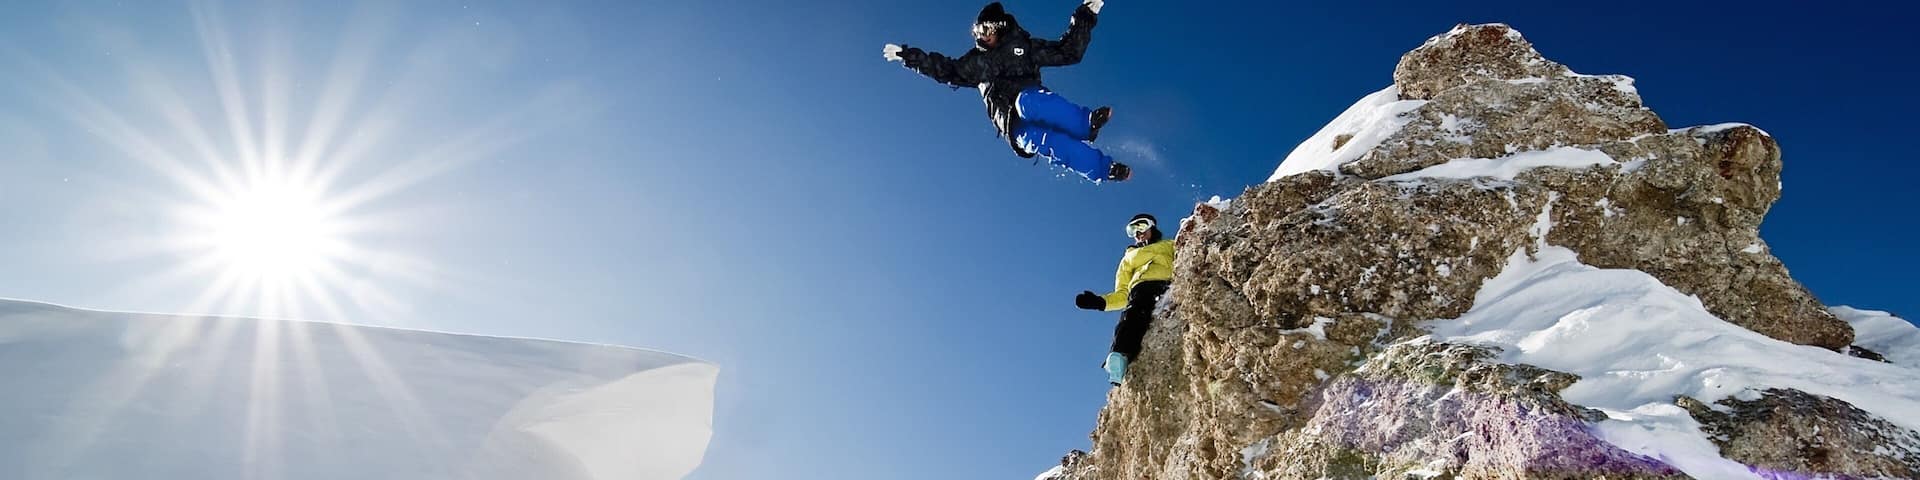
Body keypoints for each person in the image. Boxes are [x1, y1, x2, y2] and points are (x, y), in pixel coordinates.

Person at [883, 1, 1129, 183]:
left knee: (1027, 102)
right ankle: (1104, 169)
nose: (982, 37)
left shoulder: (1023, 47)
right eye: (977, 32)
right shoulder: (976, 62)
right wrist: (908, 56)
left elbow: (1068, 52)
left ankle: (1085, 124)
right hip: (1011, 123)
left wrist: (1085, 16)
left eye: (986, 30)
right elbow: (944, 69)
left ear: (999, 28)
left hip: (1031, 98)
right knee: (1043, 142)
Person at [1076, 213, 1173, 385]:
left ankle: (1121, 353)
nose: (1137, 233)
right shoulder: (1128, 260)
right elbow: (1122, 294)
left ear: (1152, 226)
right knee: (1133, 311)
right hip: (1141, 289)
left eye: (1140, 226)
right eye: (1131, 230)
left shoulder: (1168, 245)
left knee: (1138, 306)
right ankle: (1119, 355)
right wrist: (1100, 302)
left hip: (1167, 283)